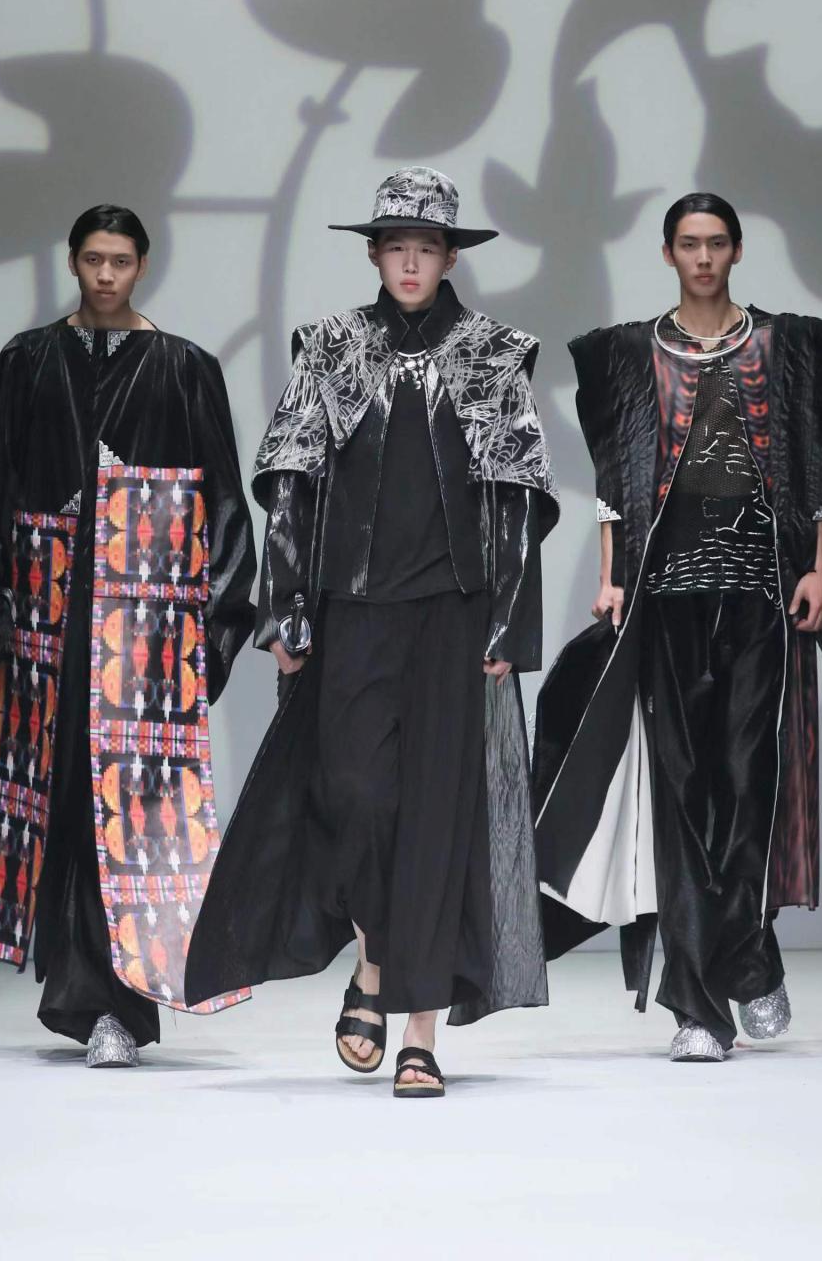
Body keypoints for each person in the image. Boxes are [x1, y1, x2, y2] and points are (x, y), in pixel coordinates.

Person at [186, 166, 558, 1097]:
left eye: (427, 248)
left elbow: (517, 499)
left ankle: (419, 1036)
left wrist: (511, 620)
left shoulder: (495, 354)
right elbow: (290, 483)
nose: (411, 263)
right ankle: (374, 962)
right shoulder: (330, 347)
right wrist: (284, 606)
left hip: (453, 615)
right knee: (353, 795)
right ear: (376, 255)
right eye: (396, 247)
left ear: (449, 258)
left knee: (437, 816)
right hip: (350, 611)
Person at [532, 191, 822, 1061]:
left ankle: (747, 953)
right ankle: (697, 1004)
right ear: (668, 254)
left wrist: (819, 566)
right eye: (689, 243)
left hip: (761, 591)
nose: (704, 257)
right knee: (680, 790)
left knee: (748, 781)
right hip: (667, 591)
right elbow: (615, 478)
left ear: (737, 250)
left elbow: (812, 469)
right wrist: (610, 577)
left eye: (717, 243)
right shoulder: (630, 353)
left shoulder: (781, 347)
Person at [0, 204, 257, 1065]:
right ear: (73, 262)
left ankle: (117, 1006)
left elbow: (224, 505)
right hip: (48, 625)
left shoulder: (185, 368)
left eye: (121, 260)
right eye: (93, 259)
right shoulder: (25, 363)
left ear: (142, 265)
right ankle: (83, 997)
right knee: (63, 802)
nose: (107, 275)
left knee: (133, 810)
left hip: (145, 632)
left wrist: (211, 637)